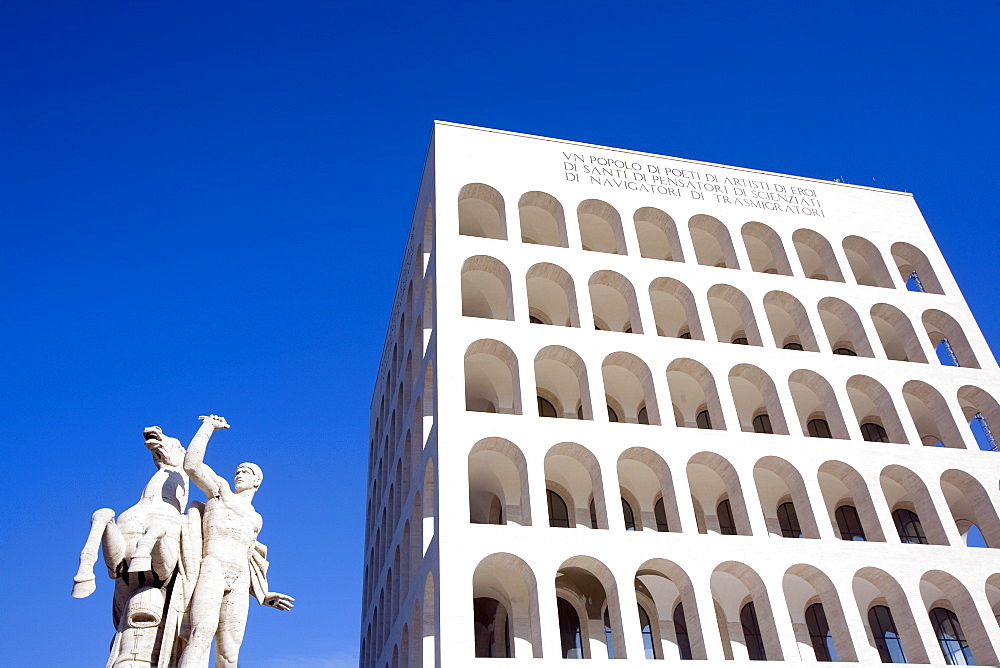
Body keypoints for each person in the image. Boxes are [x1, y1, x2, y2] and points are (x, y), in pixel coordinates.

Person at [178, 415, 294, 668]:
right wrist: (207, 427)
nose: (239, 474)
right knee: (201, 633)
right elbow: (192, 465)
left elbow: (252, 556)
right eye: (238, 471)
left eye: (246, 472)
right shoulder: (220, 492)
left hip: (240, 577)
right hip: (214, 566)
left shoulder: (256, 519)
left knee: (230, 652)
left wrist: (263, 593)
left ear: (256, 482)